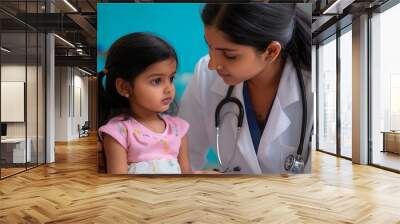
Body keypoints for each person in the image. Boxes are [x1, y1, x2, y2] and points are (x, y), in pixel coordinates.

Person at [178, 3, 314, 174]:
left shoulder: (313, 86)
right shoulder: (205, 74)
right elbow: (185, 155)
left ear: (271, 51)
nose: (212, 64)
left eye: (230, 55)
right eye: (209, 47)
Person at [98, 32, 192, 174]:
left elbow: (187, 176)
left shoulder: (178, 129)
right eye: (156, 81)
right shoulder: (118, 133)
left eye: (171, 78)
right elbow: (117, 185)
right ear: (124, 87)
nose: (169, 89)